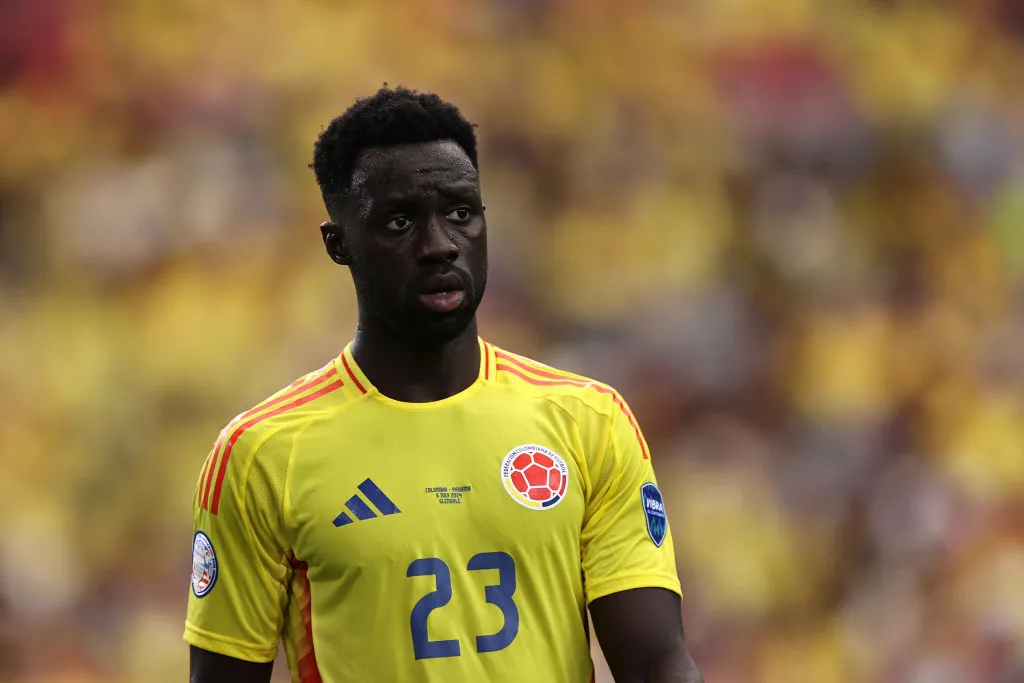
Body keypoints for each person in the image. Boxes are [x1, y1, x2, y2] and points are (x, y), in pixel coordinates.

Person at [184, 86, 704, 683]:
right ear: (338, 244)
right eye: (400, 221)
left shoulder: (587, 420)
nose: (439, 245)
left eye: (460, 213)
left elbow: (657, 662)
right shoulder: (262, 454)